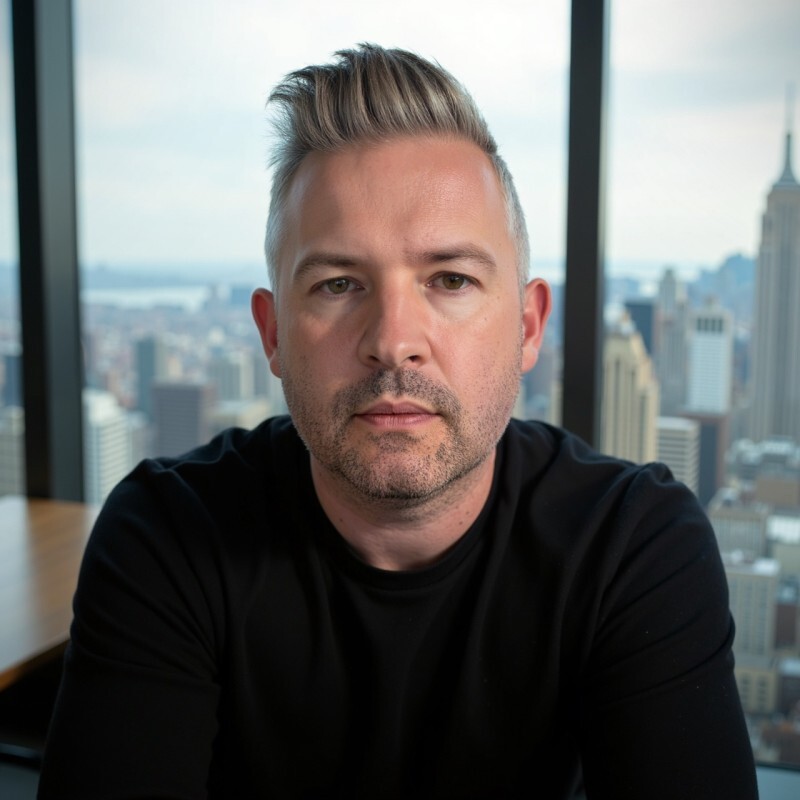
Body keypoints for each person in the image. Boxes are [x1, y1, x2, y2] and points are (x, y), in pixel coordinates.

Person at [39, 44, 758, 798]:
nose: (392, 339)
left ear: (527, 327)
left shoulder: (633, 545)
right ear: (273, 334)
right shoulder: (167, 537)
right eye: (338, 284)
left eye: (450, 279)